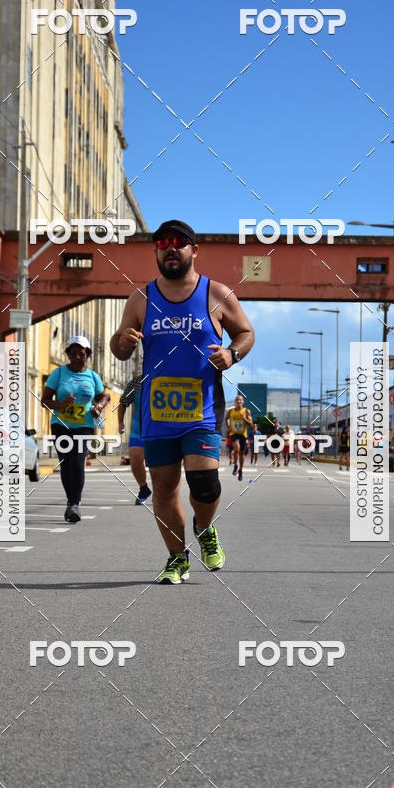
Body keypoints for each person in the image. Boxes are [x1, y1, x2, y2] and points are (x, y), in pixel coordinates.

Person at [110, 218, 254, 584]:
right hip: (157, 412)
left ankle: (204, 529)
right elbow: (119, 348)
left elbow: (246, 332)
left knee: (204, 482)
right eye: (162, 243)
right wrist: (123, 341)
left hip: (202, 409)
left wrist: (232, 355)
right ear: (157, 251)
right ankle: (177, 558)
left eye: (179, 242)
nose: (170, 247)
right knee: (164, 487)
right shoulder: (141, 298)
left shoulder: (216, 294)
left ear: (194, 250)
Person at [41, 335, 110, 522]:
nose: (78, 357)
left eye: (82, 354)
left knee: (78, 463)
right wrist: (61, 405)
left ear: (87, 355)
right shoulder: (59, 374)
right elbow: (45, 401)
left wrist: (98, 407)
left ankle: (74, 504)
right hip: (60, 425)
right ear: (68, 355)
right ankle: (71, 501)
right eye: (73, 354)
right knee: (66, 464)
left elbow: (104, 396)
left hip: (84, 426)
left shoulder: (93, 376)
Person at [118, 374, 151, 505]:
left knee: (159, 466)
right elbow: (123, 401)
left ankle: (161, 492)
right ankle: (143, 488)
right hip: (138, 430)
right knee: (135, 459)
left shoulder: (169, 377)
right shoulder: (137, 381)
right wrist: (120, 422)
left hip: (161, 430)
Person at [226, 394, 252, 481]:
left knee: (241, 453)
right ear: (235, 402)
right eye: (237, 400)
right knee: (236, 449)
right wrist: (228, 426)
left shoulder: (246, 411)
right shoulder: (231, 411)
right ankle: (235, 465)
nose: (238, 401)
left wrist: (244, 419)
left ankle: (240, 470)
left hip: (243, 435)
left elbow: (251, 425)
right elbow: (226, 419)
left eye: (240, 400)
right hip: (234, 433)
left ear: (243, 402)